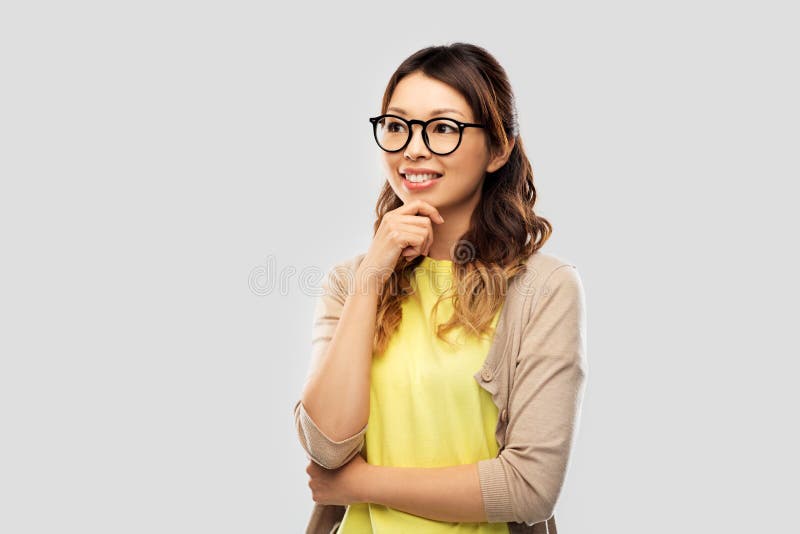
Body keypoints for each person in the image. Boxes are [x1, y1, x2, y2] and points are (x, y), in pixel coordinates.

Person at [295, 42, 587, 533]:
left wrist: (359, 484)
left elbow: (530, 488)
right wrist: (374, 274)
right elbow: (326, 446)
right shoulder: (350, 281)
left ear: (499, 149)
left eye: (443, 128)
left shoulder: (545, 289)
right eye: (396, 126)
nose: (413, 148)